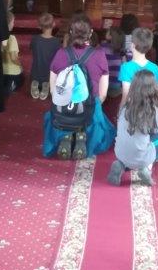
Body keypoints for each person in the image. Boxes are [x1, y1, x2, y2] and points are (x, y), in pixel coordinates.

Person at [43, 13, 114, 160]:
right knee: (104, 126)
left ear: (70, 32)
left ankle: (66, 134)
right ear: (91, 33)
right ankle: (83, 134)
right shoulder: (99, 55)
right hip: (89, 108)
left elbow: (53, 88)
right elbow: (103, 93)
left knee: (53, 116)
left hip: (63, 110)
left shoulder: (61, 53)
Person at [108, 70, 158, 187]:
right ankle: (146, 166)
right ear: (153, 88)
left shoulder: (124, 107)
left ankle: (121, 165)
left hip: (120, 153)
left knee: (133, 142)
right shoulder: (154, 110)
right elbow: (155, 130)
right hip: (141, 157)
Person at [118, 27, 158, 107]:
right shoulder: (155, 68)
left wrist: (120, 111)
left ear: (132, 45)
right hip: (150, 109)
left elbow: (125, 96)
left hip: (132, 110)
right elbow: (157, 94)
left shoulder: (126, 67)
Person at [30, 13, 60, 100]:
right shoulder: (56, 41)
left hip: (36, 70)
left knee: (36, 67)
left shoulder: (35, 39)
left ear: (39, 26)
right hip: (48, 72)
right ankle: (46, 84)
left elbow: (31, 50)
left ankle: (35, 82)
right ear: (53, 24)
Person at [1, 11, 24, 94]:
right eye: (13, 22)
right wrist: (20, 65)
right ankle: (11, 86)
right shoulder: (12, 38)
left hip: (0, 71)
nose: (13, 24)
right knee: (22, 78)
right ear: (9, 24)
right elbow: (13, 58)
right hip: (13, 73)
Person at [100, 25, 125, 98]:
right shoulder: (123, 50)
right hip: (117, 86)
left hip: (104, 84)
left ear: (111, 36)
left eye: (107, 32)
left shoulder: (102, 47)